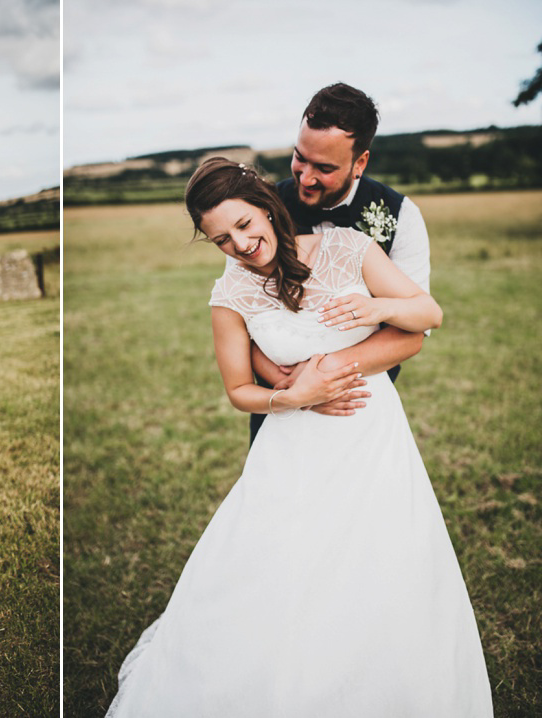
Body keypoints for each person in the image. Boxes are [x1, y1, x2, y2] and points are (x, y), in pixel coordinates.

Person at [105, 158, 492, 716]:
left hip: (371, 433)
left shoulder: (351, 250)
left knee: (380, 558)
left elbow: (428, 313)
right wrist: (292, 398)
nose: (239, 244)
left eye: (243, 224)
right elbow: (238, 388)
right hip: (292, 444)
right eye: (220, 239)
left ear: (266, 205)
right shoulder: (229, 295)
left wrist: (375, 307)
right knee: (281, 564)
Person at [248, 83, 431, 443]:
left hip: (361, 407)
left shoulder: (402, 216)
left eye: (325, 167)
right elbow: (241, 321)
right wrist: (296, 392)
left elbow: (413, 332)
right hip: (281, 410)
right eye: (300, 157)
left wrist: (325, 376)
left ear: (360, 162)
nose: (305, 176)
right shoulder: (258, 211)